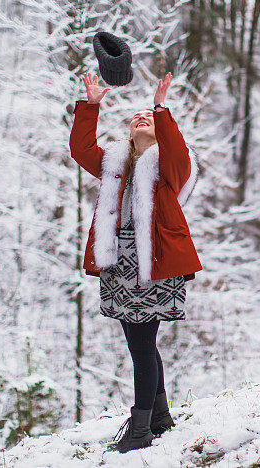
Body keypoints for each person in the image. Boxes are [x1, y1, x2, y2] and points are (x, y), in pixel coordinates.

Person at [69, 71, 203, 453]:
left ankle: (141, 428)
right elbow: (81, 149)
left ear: (160, 129)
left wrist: (161, 107)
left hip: (154, 266)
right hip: (120, 266)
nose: (141, 118)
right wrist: (91, 105)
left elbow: (176, 148)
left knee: (142, 346)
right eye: (136, 117)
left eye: (149, 117)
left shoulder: (170, 168)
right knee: (139, 344)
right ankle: (158, 416)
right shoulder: (115, 162)